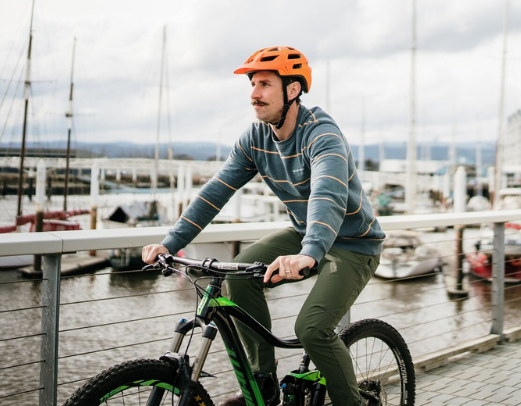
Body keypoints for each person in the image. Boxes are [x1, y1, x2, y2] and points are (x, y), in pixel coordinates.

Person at [142, 46, 385, 406]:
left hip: (352, 244)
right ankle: (263, 383)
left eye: (265, 84)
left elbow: (327, 195)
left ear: (292, 90)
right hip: (305, 236)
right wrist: (170, 242)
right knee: (237, 276)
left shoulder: (322, 135)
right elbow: (215, 192)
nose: (254, 94)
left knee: (312, 329)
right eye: (253, 84)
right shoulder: (255, 138)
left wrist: (309, 253)